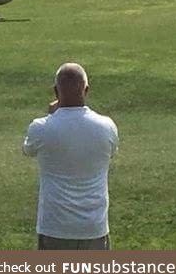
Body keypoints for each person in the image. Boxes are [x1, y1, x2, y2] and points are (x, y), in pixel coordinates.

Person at [22, 63, 119, 250]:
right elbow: (111, 152)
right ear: (86, 90)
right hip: (94, 226)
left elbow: (27, 149)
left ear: (55, 92)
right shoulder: (107, 127)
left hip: (55, 227)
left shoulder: (41, 128)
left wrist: (52, 115)